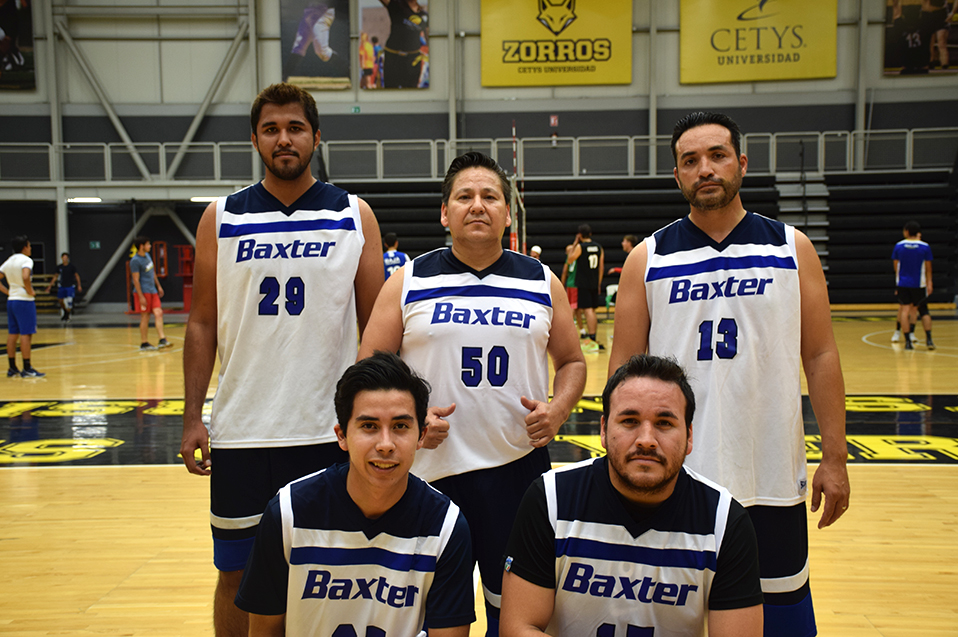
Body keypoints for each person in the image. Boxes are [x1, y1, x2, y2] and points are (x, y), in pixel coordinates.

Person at [610, 112, 850, 637]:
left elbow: (822, 356)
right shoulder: (646, 259)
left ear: (741, 163)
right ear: (677, 176)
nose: (705, 169)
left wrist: (835, 456)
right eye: (690, 161)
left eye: (717, 155)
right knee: (676, 620)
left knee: (781, 619)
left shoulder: (792, 248)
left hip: (770, 477)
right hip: (677, 477)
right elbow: (622, 378)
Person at [180, 82, 384, 635]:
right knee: (237, 576)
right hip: (244, 430)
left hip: (327, 429)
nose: (283, 139)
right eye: (271, 129)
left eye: (295, 127)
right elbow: (201, 322)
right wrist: (193, 415)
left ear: (316, 136)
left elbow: (378, 327)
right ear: (255, 140)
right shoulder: (220, 217)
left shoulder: (352, 214)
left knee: (329, 573)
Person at [357, 151, 586, 635]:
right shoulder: (410, 279)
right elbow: (368, 371)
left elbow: (572, 362)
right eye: (464, 196)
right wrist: (412, 420)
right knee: (426, 615)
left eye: (490, 197)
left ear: (507, 212)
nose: (477, 205)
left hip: (516, 474)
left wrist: (559, 408)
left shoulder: (542, 282)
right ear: (445, 212)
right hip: (426, 474)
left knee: (515, 614)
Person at [501, 354, 764, 636]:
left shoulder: (724, 521)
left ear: (689, 437)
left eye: (664, 423)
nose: (646, 440)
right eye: (629, 421)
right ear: (603, 430)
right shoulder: (551, 499)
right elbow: (519, 627)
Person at [235, 351, 475, 636]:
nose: (385, 444)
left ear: (421, 435)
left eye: (400, 426)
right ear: (342, 435)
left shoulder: (446, 526)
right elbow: (264, 631)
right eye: (369, 426)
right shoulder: (289, 513)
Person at [0, 235, 44, 378]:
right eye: (29, 246)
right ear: (25, 246)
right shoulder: (26, 260)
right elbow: (25, 276)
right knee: (26, 333)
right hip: (24, 301)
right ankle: (27, 367)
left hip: (12, 300)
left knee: (13, 334)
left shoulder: (9, 261)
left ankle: (12, 367)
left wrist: (8, 292)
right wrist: (30, 290)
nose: (30, 248)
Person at [892, 220, 934, 350]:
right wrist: (929, 282)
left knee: (904, 310)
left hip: (903, 283)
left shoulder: (899, 246)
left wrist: (898, 282)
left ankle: (908, 342)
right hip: (919, 284)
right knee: (921, 310)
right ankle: (929, 340)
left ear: (906, 231)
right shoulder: (925, 247)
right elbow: (928, 267)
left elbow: (896, 267)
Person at [567, 224, 604, 352]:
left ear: (580, 234)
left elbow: (570, 260)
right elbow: (601, 267)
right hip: (594, 283)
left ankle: (592, 339)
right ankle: (593, 337)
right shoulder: (599, 247)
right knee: (592, 311)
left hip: (582, 283)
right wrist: (598, 283)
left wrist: (575, 243)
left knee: (587, 310)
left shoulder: (580, 247)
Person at [129, 236, 170, 351]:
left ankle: (162, 339)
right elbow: (135, 280)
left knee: (158, 312)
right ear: (141, 246)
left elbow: (152, 273)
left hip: (153, 291)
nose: (150, 246)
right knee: (145, 316)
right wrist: (141, 296)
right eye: (148, 244)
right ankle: (144, 342)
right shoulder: (135, 261)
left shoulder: (147, 256)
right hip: (143, 292)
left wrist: (158, 286)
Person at [379, 0, 428, 88]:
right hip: (393, 57)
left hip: (412, 59)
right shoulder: (396, 5)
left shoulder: (424, 15)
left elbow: (430, 38)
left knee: (411, 92)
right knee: (391, 91)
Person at [560, 243, 586, 339]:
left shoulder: (569, 259)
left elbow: (564, 272)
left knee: (577, 309)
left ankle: (582, 330)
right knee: (573, 308)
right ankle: (565, 330)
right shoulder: (577, 259)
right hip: (575, 285)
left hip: (570, 285)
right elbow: (564, 272)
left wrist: (562, 285)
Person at [45, 252, 82, 321]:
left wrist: (79, 285)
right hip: (62, 285)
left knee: (69, 301)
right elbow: (55, 276)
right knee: (60, 300)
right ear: (62, 258)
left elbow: (77, 276)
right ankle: (66, 312)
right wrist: (50, 286)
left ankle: (67, 314)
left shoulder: (72, 267)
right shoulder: (59, 267)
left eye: (66, 258)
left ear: (68, 259)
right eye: (63, 258)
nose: (64, 259)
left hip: (70, 286)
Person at [922, 0, 958, 69]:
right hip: (927, 14)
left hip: (940, 14)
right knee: (929, 42)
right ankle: (930, 63)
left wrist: (952, 12)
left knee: (941, 42)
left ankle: (945, 66)